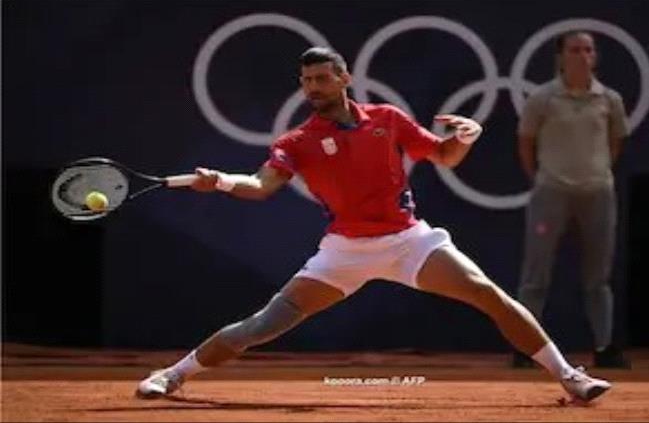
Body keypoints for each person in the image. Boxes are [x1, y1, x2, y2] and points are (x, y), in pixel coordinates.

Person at [135, 46, 612, 402]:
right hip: (343, 252)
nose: (314, 87)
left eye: (323, 78)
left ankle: (570, 377)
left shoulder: (387, 118)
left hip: (409, 242)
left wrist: (467, 137)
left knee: (489, 294)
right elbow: (260, 186)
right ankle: (172, 375)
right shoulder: (296, 141)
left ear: (344, 78)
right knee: (260, 327)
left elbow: (443, 155)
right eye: (307, 81)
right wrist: (220, 181)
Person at [513, 31, 631, 369]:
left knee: (598, 277)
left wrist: (596, 172)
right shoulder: (542, 98)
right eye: (575, 49)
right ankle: (525, 347)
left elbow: (615, 143)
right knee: (536, 274)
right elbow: (526, 142)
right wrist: (543, 178)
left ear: (595, 56)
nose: (582, 55)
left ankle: (605, 347)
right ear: (560, 57)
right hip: (551, 192)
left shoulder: (610, 99)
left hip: (598, 193)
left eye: (588, 50)